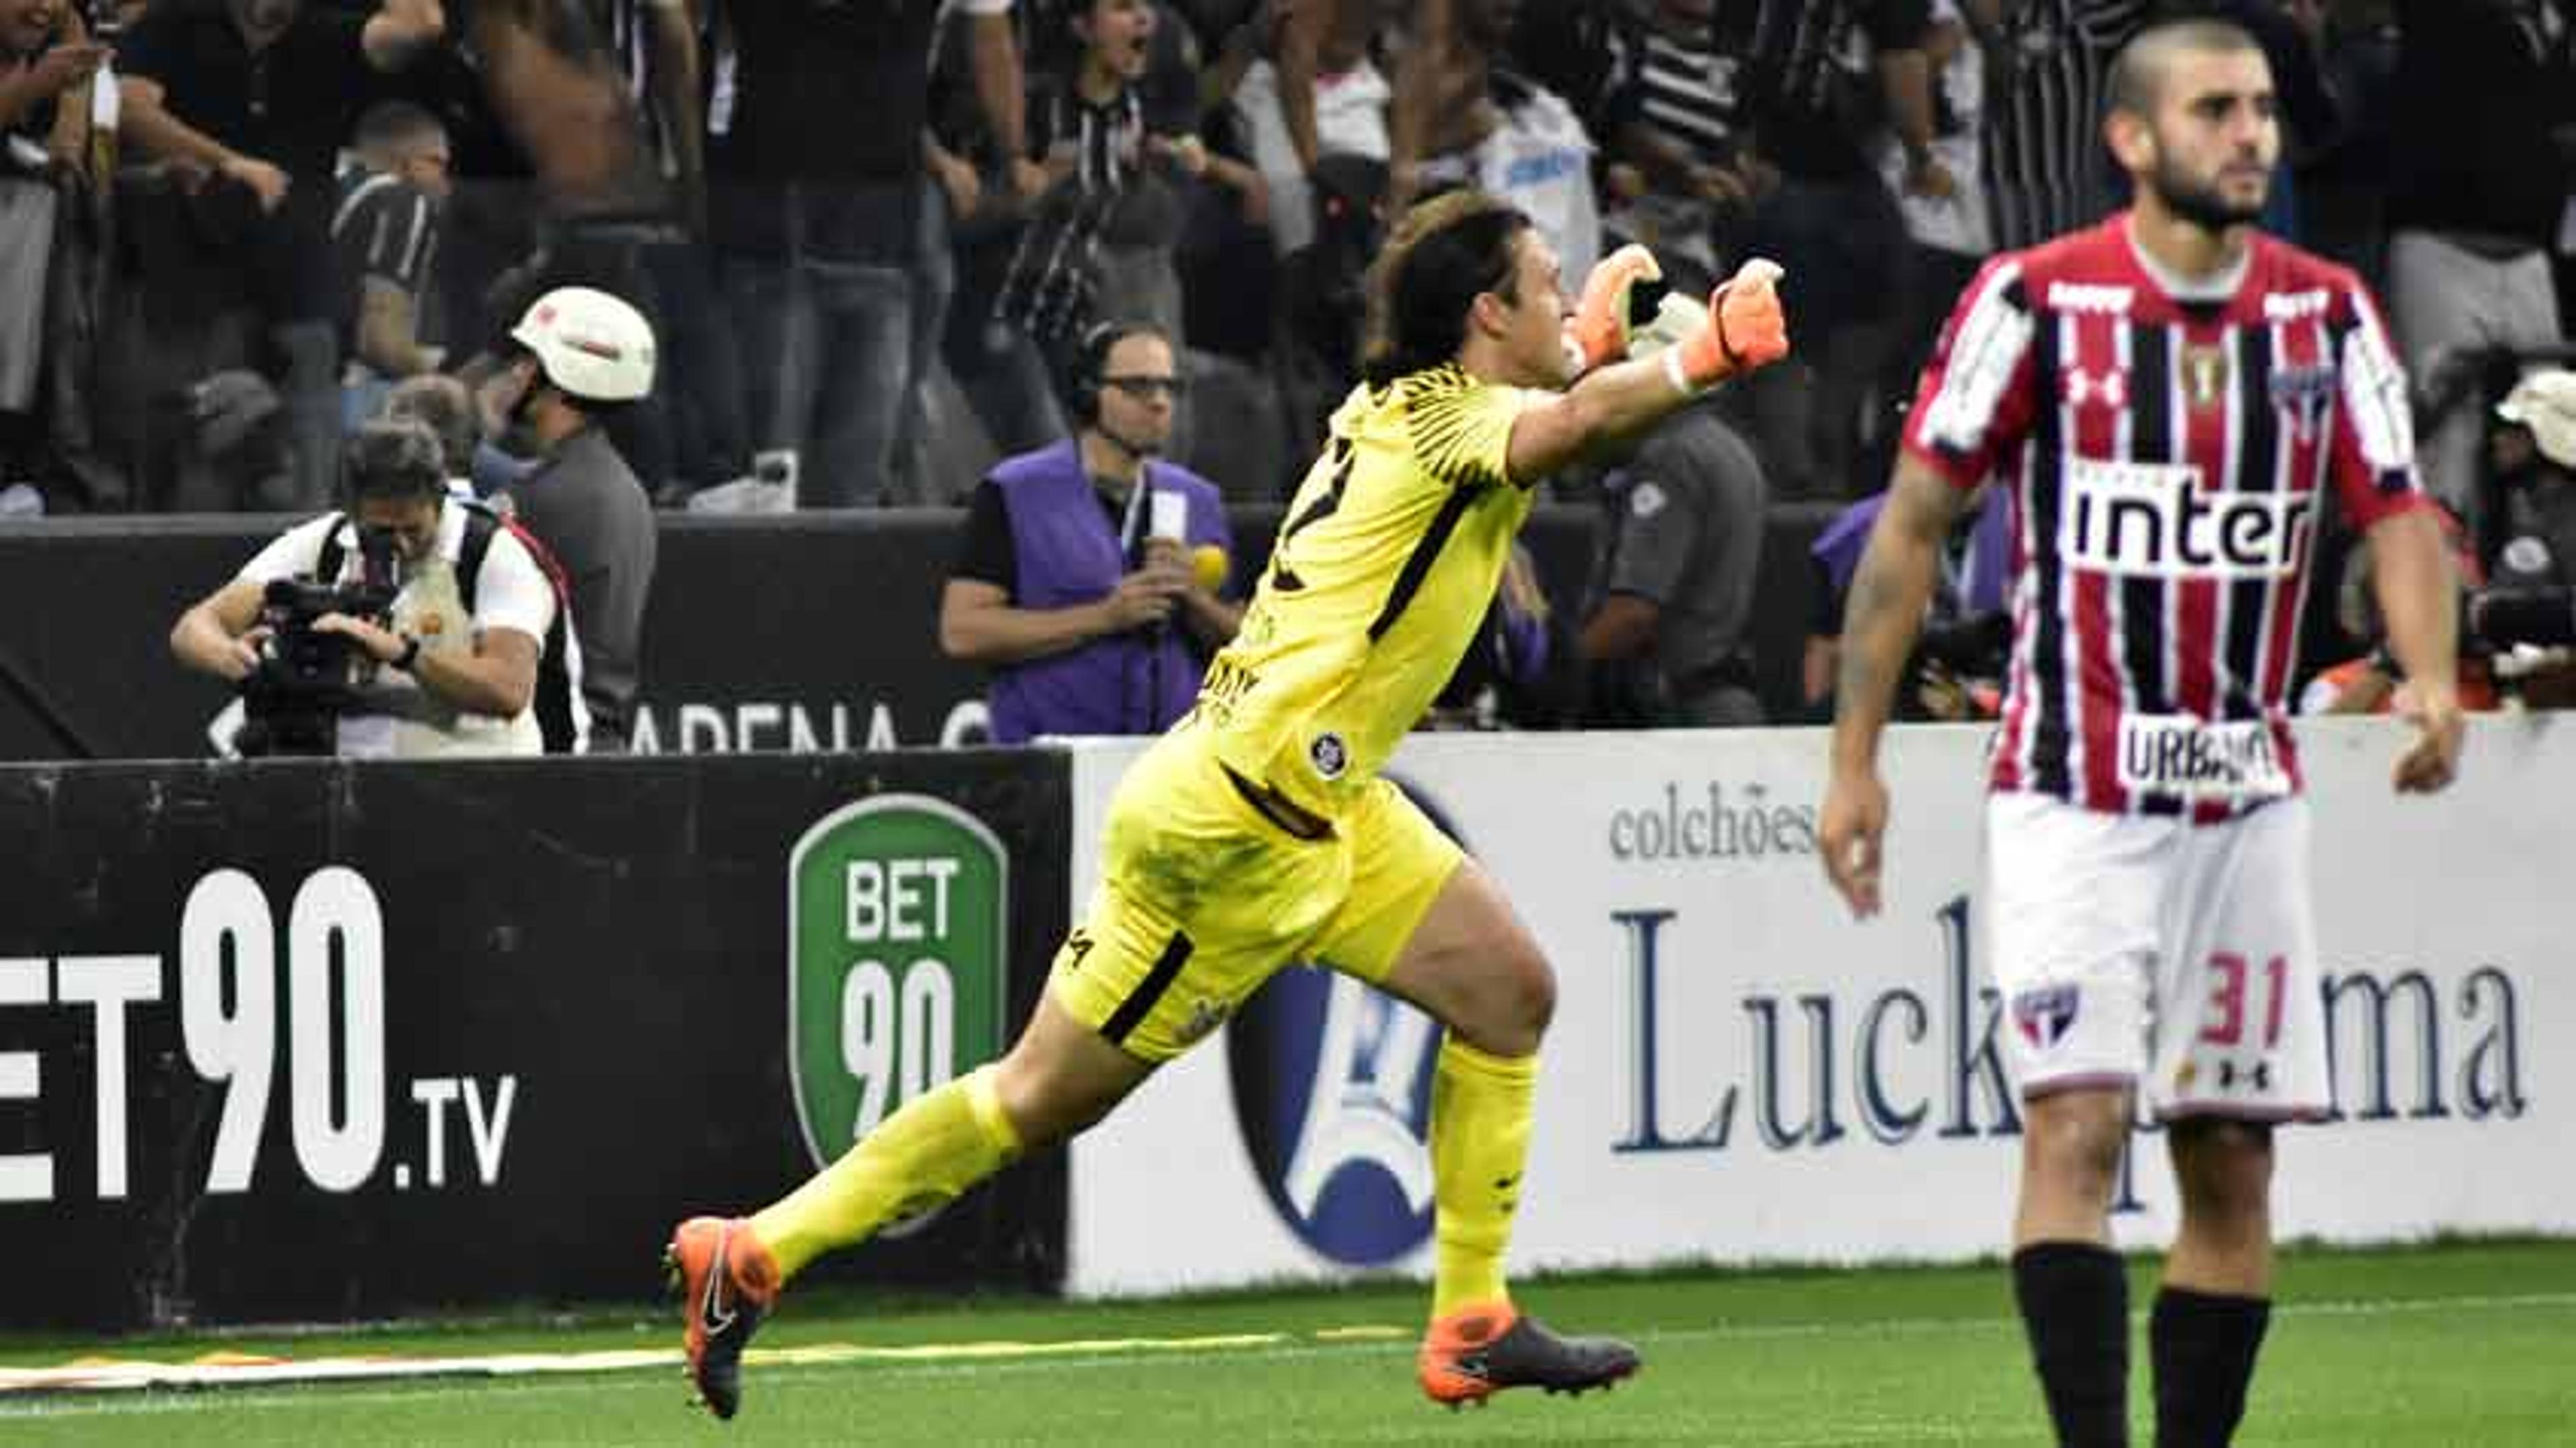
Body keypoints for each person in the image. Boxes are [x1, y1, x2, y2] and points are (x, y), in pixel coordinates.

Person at [663, 192, 1792, 1420]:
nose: (1560, 297)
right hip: (1238, 833)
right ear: (1486, 313)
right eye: (1541, 278)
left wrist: (1599, 320)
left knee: (1510, 992)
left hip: (1318, 801)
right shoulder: (1455, 426)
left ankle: (1472, 1318)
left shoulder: (1407, 402)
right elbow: (1569, 421)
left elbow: (1566, 388)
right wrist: (1700, 355)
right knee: (1039, 1098)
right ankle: (758, 1248)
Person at [1818, 21, 2464, 1448]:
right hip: (2072, 788)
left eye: (2262, 111)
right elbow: (1914, 524)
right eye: (2218, 109)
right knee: (2077, 1124)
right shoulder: (2035, 302)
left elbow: (2400, 511)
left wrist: (2428, 668)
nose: (2253, 134)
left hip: (2249, 796)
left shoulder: (2329, 316)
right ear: (2132, 139)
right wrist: (1854, 757)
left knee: (2230, 1156)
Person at [116, 0, 448, 509]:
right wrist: (228, 162)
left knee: (305, 469)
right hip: (190, 281)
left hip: (300, 292)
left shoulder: (329, 34)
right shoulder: (177, 20)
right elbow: (132, 109)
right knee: (192, 458)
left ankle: (312, 553)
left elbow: (422, 24)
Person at [168, 417, 563, 758]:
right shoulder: (323, 542)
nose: (401, 545)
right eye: (381, 531)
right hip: (357, 778)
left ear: (439, 501)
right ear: (353, 509)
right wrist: (230, 656)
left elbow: (508, 690)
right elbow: (194, 627)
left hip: (474, 776)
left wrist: (403, 653)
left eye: (413, 530)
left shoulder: (492, 555)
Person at [940, 321, 1241, 742]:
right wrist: (1103, 617)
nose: (1159, 403)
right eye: (1138, 386)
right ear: (1087, 394)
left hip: (1170, 762)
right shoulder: (1015, 491)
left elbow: (1249, 642)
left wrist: (1195, 600)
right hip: (1052, 760)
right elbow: (963, 631)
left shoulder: (1199, 500)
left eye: (1168, 388)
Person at [1578, 293, 1772, 727]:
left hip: (1676, 715)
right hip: (1723, 702)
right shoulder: (1729, 447)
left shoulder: (1671, 456)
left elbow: (1635, 613)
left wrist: (1560, 670)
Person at [484, 285, 658, 752]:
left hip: (560, 750)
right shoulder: (618, 484)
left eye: (529, 361)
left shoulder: (546, 496)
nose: (516, 371)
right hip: (596, 743)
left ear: (559, 379)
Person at [331, 100, 452, 431]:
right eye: (438, 163)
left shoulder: (335, 187)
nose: (446, 180)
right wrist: (434, 377)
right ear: (407, 163)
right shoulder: (403, 199)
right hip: (356, 388)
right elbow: (379, 335)